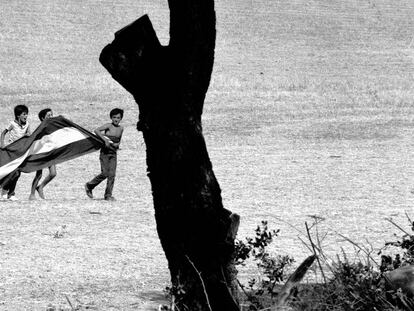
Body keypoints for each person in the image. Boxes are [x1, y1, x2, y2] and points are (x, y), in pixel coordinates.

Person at [85, 108, 124, 201]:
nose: (116, 119)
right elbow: (96, 130)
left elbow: (119, 140)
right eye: (114, 117)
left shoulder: (121, 128)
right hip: (105, 153)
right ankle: (89, 185)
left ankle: (108, 195)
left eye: (118, 118)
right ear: (111, 117)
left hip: (113, 153)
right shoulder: (108, 126)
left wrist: (117, 145)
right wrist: (105, 139)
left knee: (112, 175)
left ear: (121, 118)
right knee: (105, 173)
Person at [1, 104, 31, 201]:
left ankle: (11, 193)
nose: (26, 116)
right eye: (24, 114)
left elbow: (29, 135)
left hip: (20, 152)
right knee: (11, 172)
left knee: (17, 173)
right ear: (18, 115)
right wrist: (2, 144)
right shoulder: (12, 124)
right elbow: (3, 133)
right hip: (11, 151)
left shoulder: (27, 124)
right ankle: (4, 191)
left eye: (26, 114)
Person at [29, 108, 57, 200]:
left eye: (52, 115)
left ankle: (40, 187)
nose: (51, 117)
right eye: (48, 116)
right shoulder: (41, 128)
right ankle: (32, 194)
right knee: (39, 174)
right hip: (41, 153)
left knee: (53, 173)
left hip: (50, 153)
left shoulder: (53, 127)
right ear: (42, 118)